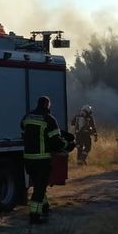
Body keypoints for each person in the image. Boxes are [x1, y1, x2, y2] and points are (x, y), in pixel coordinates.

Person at [21, 95, 67, 224]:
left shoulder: (27, 117)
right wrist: (65, 145)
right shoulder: (49, 119)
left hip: (28, 159)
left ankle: (45, 207)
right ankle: (34, 216)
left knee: (38, 184)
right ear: (47, 105)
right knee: (39, 188)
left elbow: (22, 127)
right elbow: (56, 142)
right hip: (41, 159)